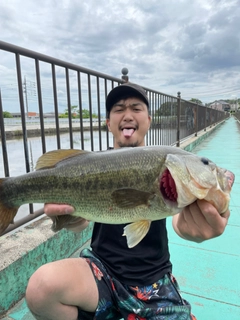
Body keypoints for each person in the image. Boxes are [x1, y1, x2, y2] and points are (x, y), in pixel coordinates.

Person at [26, 83, 230, 320]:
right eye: (119, 109)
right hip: (100, 271)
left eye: (136, 108)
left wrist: (193, 229)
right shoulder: (91, 162)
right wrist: (69, 219)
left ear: (149, 120)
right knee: (41, 288)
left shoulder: (169, 171)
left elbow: (179, 222)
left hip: (155, 279)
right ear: (108, 123)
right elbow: (80, 222)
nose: (128, 115)